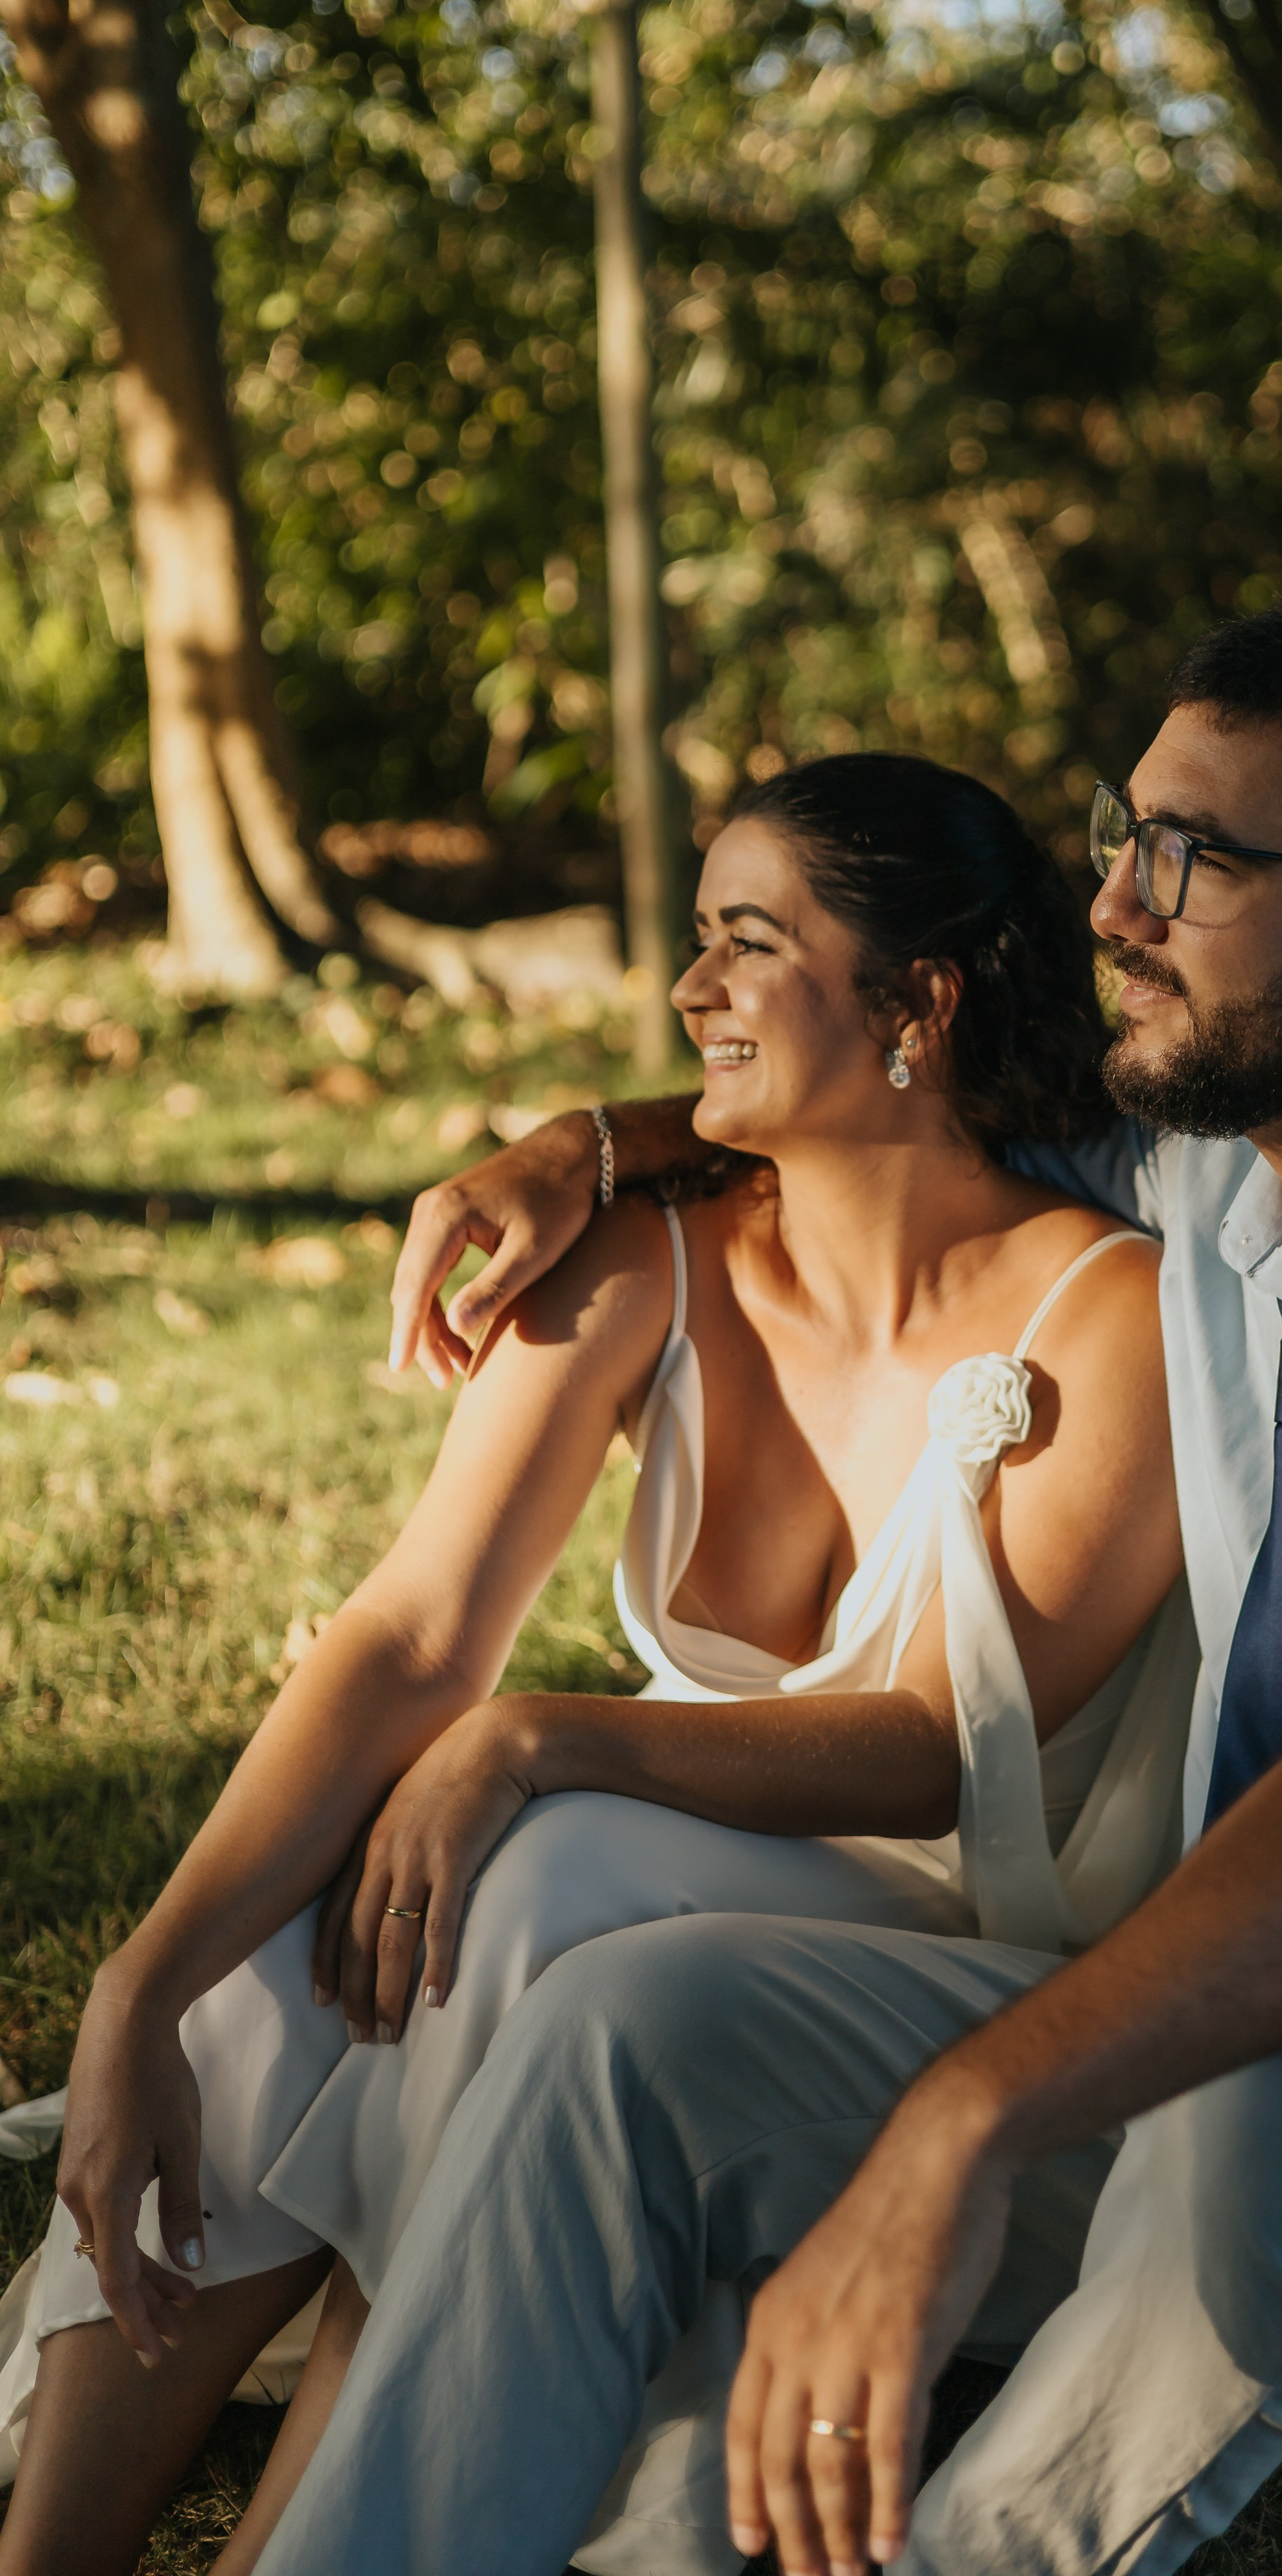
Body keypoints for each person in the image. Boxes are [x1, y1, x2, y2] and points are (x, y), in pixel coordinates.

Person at [240, 597, 1282, 2576]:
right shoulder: (1221, 1167)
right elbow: (912, 1101)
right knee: (633, 2029)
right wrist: (590, 1143)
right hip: (1230, 2097)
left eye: (1189, 861)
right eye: (1127, 834)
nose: (1113, 905)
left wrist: (960, 2121)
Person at [0, 757, 1193, 2576]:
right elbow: (413, 1629)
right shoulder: (643, 1259)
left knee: (522, 1863)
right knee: (330, 1892)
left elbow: (940, 1750)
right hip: (659, 1854)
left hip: (949, 1933)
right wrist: (141, 1988)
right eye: (695, 942)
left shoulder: (1101, 1311)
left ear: (915, 1003)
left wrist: (537, 1738)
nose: (689, 993)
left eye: (745, 943)